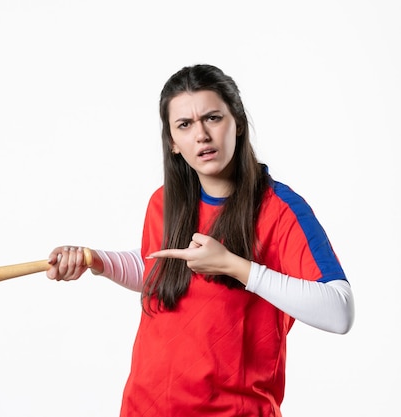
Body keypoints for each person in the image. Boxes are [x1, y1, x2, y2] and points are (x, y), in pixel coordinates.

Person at [46, 64, 355, 416]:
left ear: (237, 123)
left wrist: (235, 267)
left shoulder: (281, 209)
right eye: (185, 125)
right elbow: (157, 263)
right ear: (173, 144)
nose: (201, 135)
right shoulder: (165, 201)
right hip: (143, 407)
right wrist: (93, 259)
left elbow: (339, 310)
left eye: (212, 118)